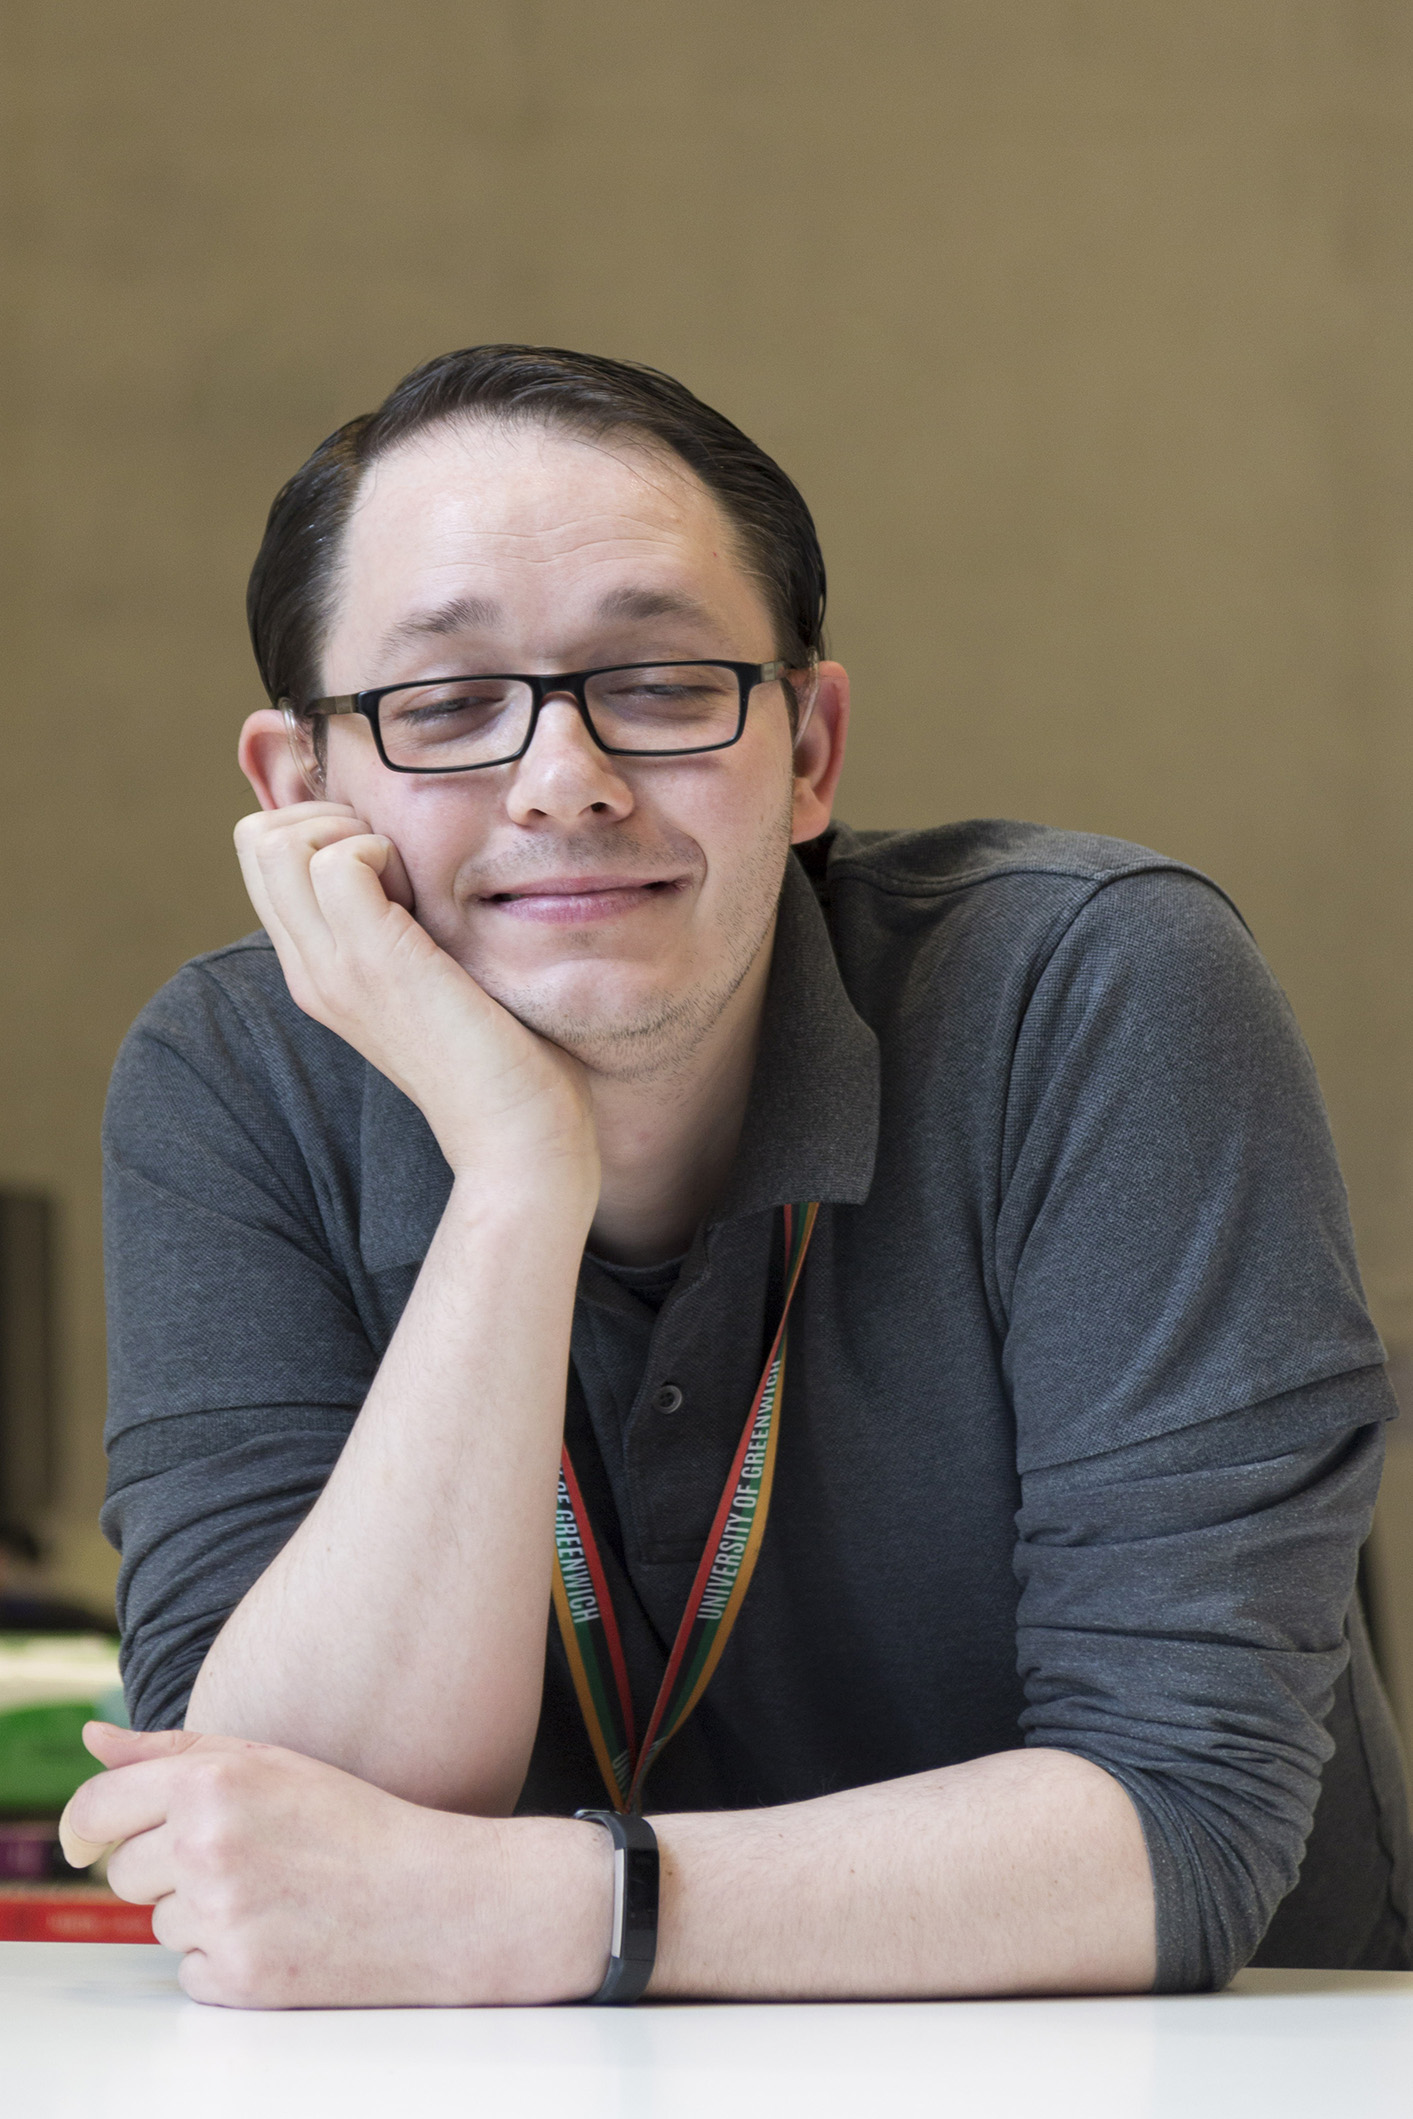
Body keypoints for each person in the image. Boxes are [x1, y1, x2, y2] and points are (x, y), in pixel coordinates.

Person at [64, 347, 1410, 2008]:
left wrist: (548, 1908)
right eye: (445, 705)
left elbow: (1181, 1820)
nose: (564, 778)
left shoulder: (1092, 991)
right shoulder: (233, 1075)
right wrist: (511, 1176)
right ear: (301, 795)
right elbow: (284, 1841)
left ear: (811, 753)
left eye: (660, 681)